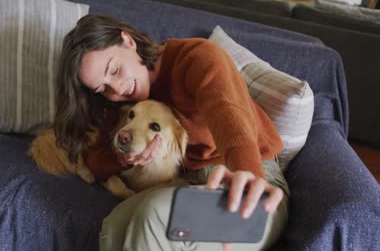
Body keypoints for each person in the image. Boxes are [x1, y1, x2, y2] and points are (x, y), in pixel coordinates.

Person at [54, 14, 290, 251]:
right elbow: (95, 161)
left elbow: (229, 119)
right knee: (115, 227)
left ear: (128, 41)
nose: (117, 88)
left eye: (115, 69)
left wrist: (249, 178)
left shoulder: (197, 58)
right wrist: (124, 158)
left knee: (154, 215)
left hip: (256, 180)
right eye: (103, 88)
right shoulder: (124, 102)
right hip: (188, 180)